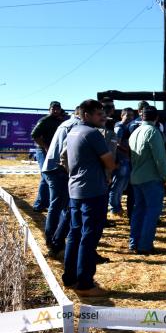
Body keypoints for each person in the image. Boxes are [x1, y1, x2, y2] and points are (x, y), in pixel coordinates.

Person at [62, 99, 115, 296]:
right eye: (98, 114)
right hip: (93, 191)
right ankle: (85, 284)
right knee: (89, 236)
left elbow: (64, 158)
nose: (103, 117)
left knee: (75, 234)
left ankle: (70, 278)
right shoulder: (92, 133)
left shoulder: (73, 131)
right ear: (86, 115)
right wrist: (111, 168)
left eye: (103, 113)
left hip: (76, 190)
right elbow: (109, 160)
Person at [128, 106, 166, 255]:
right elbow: (160, 159)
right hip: (151, 178)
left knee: (138, 211)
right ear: (157, 118)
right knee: (152, 212)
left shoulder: (135, 132)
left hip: (136, 178)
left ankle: (134, 242)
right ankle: (145, 245)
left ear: (142, 117)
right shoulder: (153, 132)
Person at [42, 107, 81, 258]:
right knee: (58, 206)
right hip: (59, 169)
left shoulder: (66, 123)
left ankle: (54, 238)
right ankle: (52, 240)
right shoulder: (76, 125)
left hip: (53, 167)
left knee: (59, 205)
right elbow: (68, 150)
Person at [31, 100, 64, 212]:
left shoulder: (60, 120)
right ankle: (44, 203)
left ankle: (40, 204)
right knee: (47, 175)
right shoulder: (44, 120)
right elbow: (34, 135)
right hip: (42, 150)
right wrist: (45, 146)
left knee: (46, 177)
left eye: (57, 108)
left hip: (54, 151)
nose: (55, 110)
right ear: (49, 109)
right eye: (53, 108)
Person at [108, 108, 135, 218]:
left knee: (121, 187)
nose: (129, 117)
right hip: (122, 161)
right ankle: (114, 209)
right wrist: (128, 151)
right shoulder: (119, 127)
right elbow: (116, 145)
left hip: (126, 160)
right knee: (117, 187)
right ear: (121, 116)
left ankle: (117, 208)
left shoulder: (129, 126)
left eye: (131, 115)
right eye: (127, 115)